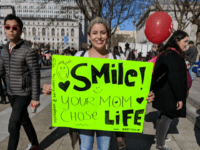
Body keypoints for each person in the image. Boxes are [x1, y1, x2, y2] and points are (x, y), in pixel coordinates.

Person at [42, 17, 155, 150]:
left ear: (107, 34)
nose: (99, 37)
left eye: (103, 32)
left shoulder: (117, 60)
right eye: (94, 33)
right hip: (83, 115)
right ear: (89, 36)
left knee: (104, 147)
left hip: (106, 118)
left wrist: (144, 95)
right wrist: (52, 88)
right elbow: (68, 85)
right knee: (85, 147)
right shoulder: (79, 57)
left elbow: (127, 89)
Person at [0, 14, 40, 150]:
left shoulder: (27, 51)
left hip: (24, 93)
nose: (11, 30)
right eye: (8, 27)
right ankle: (34, 143)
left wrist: (35, 98)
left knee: (13, 123)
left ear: (20, 30)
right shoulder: (4, 50)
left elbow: (35, 74)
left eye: (14, 27)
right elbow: (1, 69)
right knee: (24, 119)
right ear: (4, 29)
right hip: (11, 92)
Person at [152, 30, 188, 150]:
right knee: (167, 117)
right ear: (177, 41)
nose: (186, 44)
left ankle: (159, 138)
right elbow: (174, 78)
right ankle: (161, 144)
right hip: (170, 92)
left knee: (163, 115)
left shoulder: (165, 53)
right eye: (185, 41)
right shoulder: (174, 55)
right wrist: (179, 98)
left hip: (163, 90)